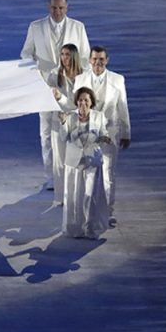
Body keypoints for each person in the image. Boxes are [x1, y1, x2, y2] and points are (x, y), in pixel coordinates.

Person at [20, 0, 91, 191]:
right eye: (54, 8)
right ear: (48, 7)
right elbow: (26, 53)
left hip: (70, 86)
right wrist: (34, 71)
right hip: (45, 86)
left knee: (71, 130)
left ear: (67, 8)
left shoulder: (78, 27)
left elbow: (85, 56)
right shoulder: (36, 27)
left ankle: (72, 172)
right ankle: (51, 176)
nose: (58, 12)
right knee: (46, 132)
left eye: (61, 8)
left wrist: (79, 82)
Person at [75, 46, 130, 225]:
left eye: (101, 60)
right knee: (87, 172)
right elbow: (75, 107)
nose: (97, 63)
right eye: (94, 59)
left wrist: (126, 132)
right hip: (87, 132)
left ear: (107, 60)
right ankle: (89, 212)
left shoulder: (117, 79)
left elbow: (122, 107)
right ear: (89, 60)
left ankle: (108, 211)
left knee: (108, 172)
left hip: (111, 131)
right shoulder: (80, 79)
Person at [61, 87, 112, 239]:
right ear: (76, 102)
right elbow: (64, 138)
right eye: (80, 100)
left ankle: (90, 227)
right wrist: (64, 123)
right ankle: (75, 228)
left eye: (86, 100)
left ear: (91, 102)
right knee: (75, 196)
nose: (83, 103)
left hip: (92, 160)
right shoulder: (70, 117)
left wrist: (105, 138)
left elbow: (104, 133)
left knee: (90, 195)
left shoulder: (99, 116)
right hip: (74, 161)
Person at [47, 43, 83, 206]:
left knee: (75, 160)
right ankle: (60, 197)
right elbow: (49, 99)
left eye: (67, 55)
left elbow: (81, 102)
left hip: (77, 122)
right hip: (58, 121)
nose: (64, 58)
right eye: (62, 54)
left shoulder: (83, 76)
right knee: (59, 161)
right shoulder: (55, 75)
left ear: (74, 56)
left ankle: (75, 195)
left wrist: (64, 102)